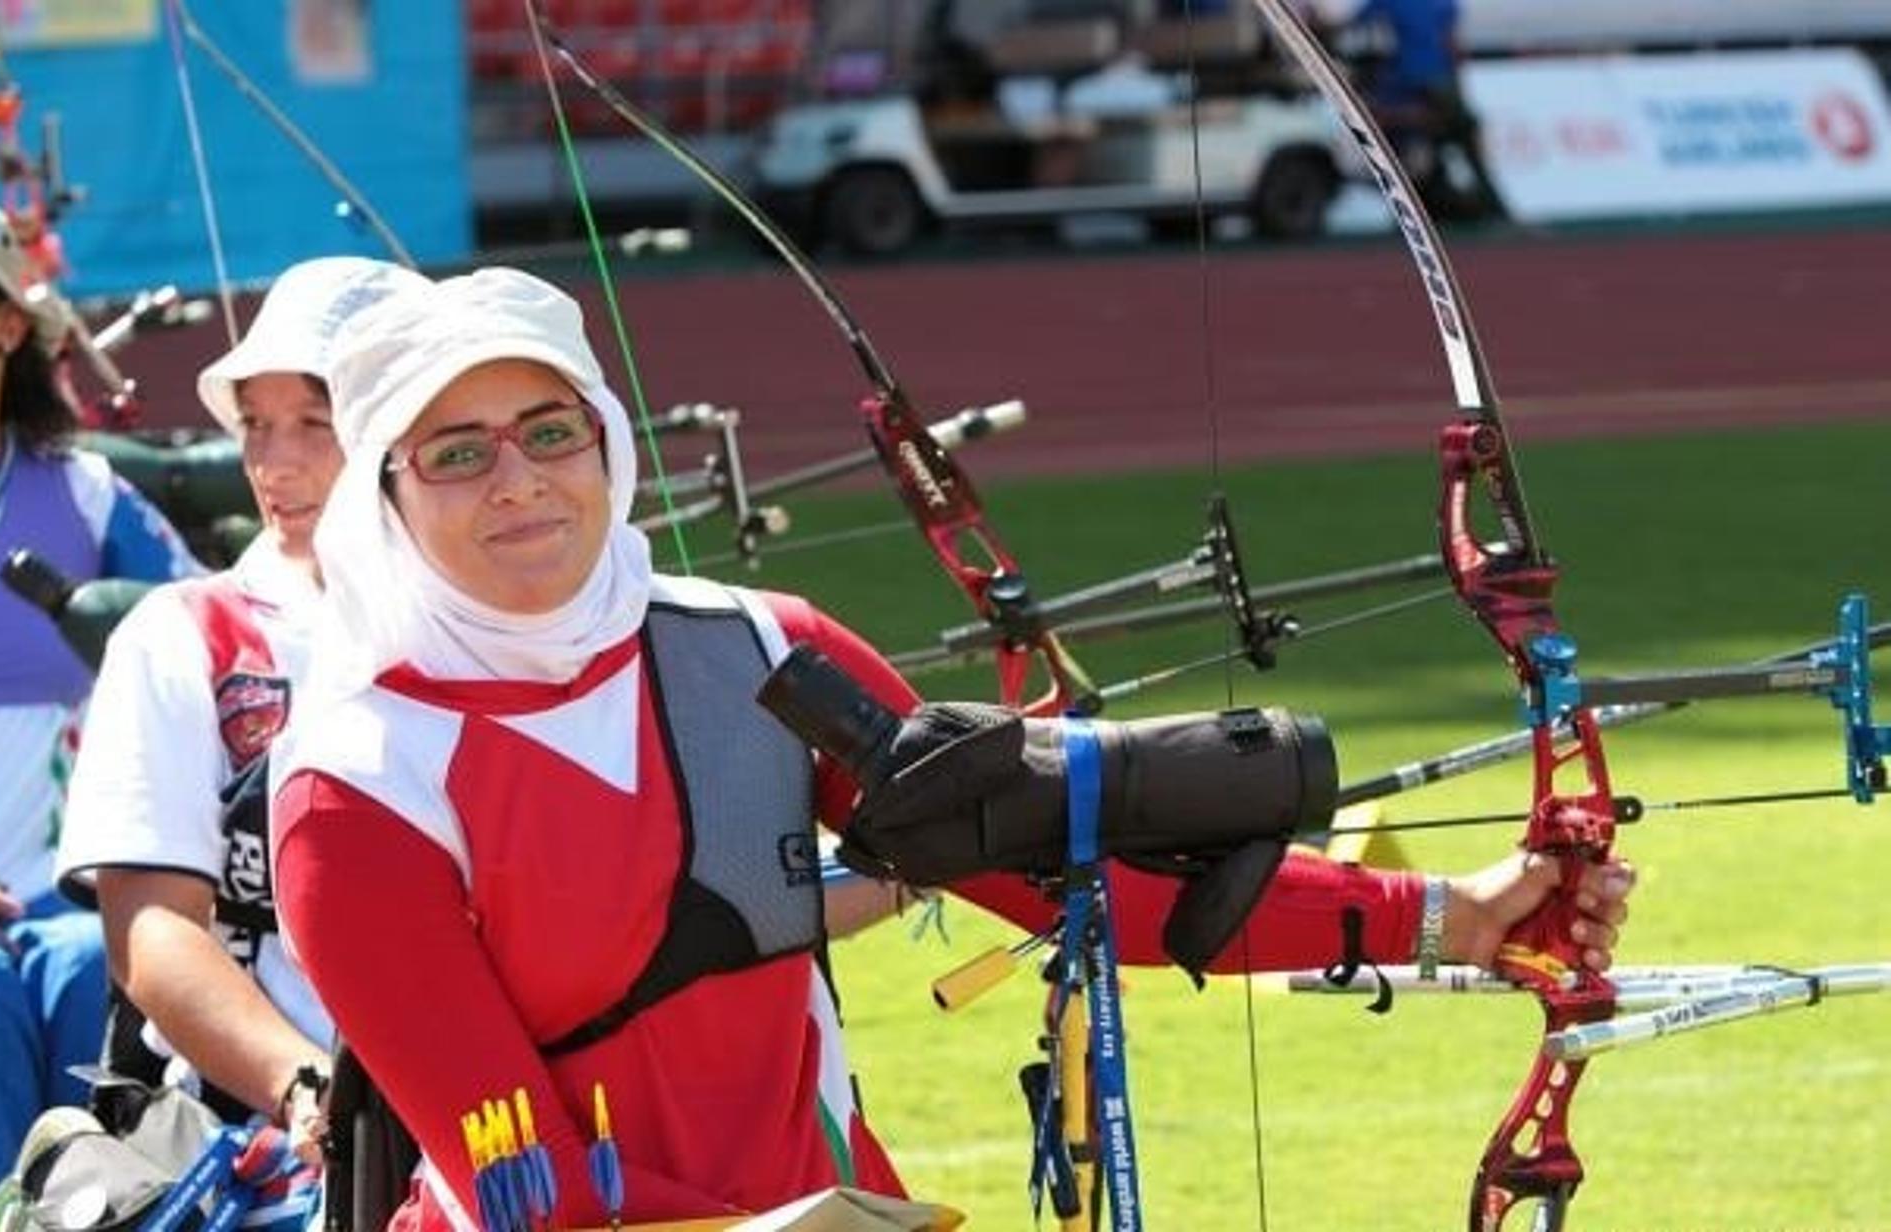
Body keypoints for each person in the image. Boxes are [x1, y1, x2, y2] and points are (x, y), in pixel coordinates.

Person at [267, 268, 1633, 1228]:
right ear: (386, 490)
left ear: (606, 443)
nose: (518, 480)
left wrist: (1444, 914)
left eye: (548, 430)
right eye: (454, 454)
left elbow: (1062, 873)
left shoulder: (757, 647)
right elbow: (515, 1174)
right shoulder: (358, 777)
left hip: (833, 1212)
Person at [55, 259, 431, 1168]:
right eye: (257, 425)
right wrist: (309, 1089)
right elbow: (152, 928)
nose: (274, 461)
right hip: (262, 1139)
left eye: (316, 421)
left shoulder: (513, 623)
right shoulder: (187, 633)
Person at [0, 192, 201, 1203]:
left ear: (5, 321)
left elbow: (220, 655)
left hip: (69, 895)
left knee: (99, 969)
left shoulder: (91, 494)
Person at [1325, 0, 1507, 219]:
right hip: (1431, 86)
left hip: (1407, 86)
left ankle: (1468, 204)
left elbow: (1354, 28)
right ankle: (1490, 206)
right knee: (1460, 139)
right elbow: (1451, 45)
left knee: (1440, 139)